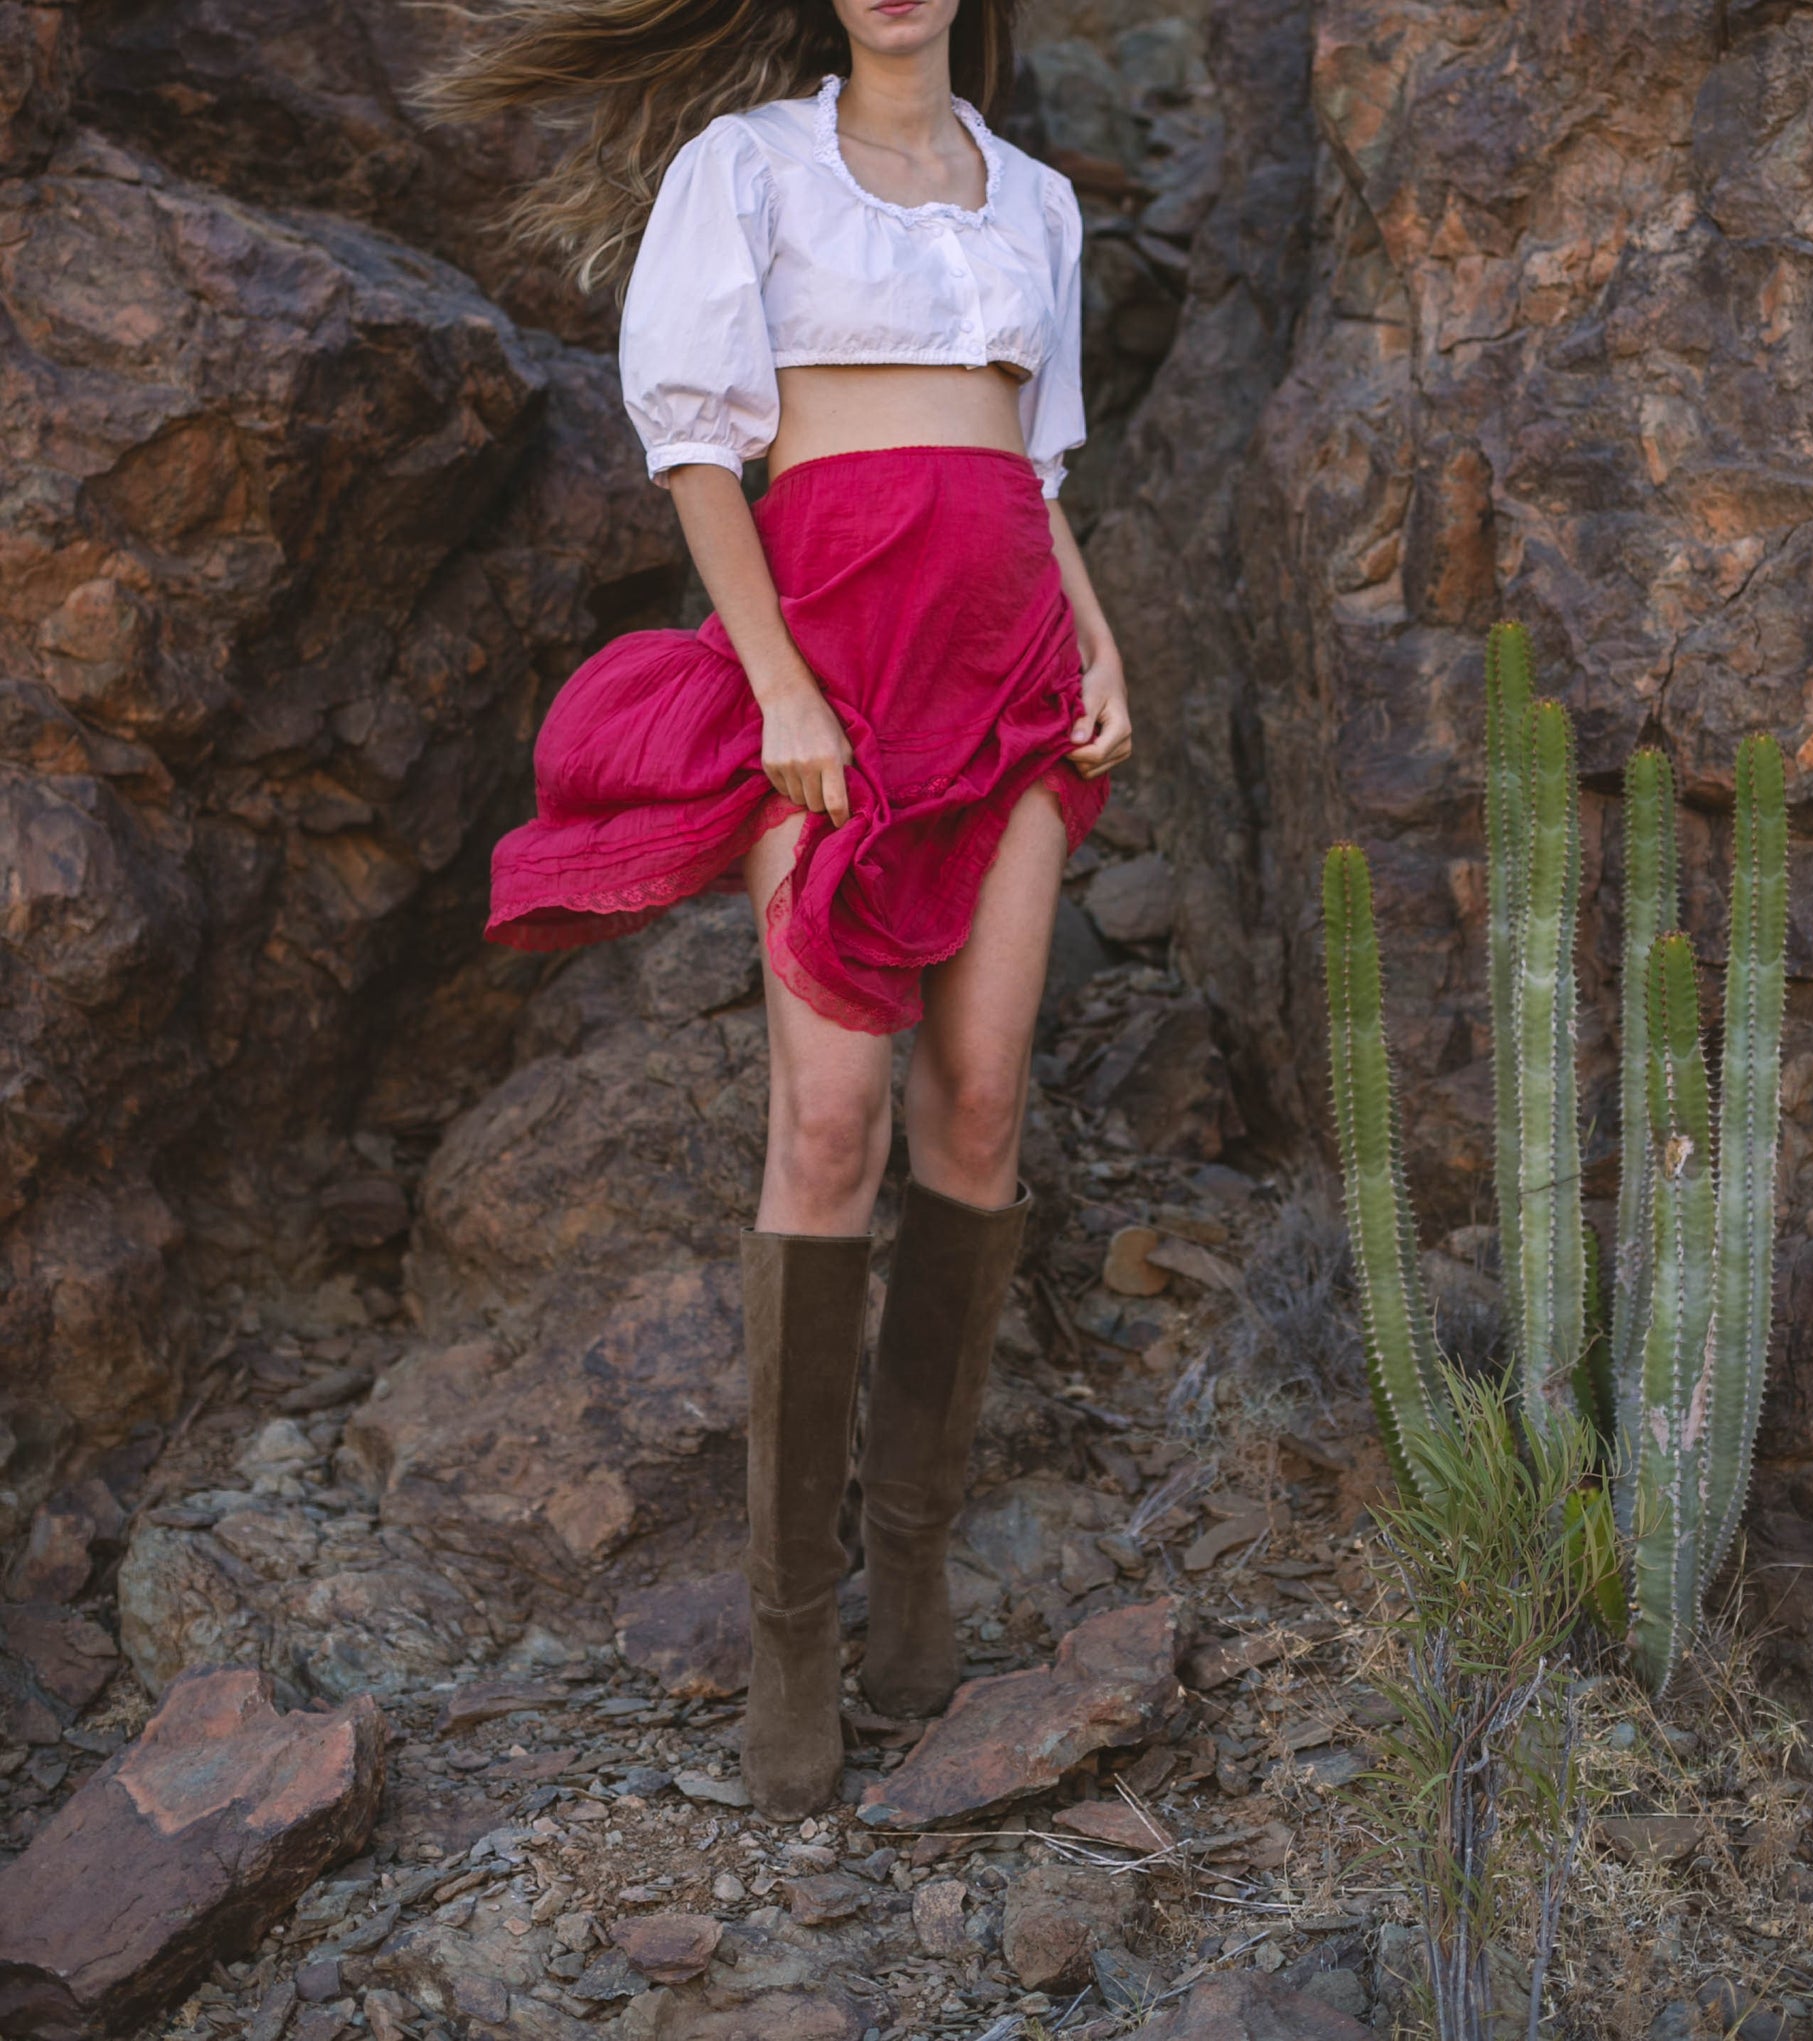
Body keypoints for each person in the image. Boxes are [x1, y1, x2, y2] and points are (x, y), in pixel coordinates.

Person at [426, 0, 1132, 1819]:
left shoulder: (1034, 199)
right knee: (830, 1119)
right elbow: (692, 443)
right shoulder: (743, 168)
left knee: (979, 1103)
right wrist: (783, 686)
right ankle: (791, 1628)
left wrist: (1103, 643)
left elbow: (1031, 469)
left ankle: (911, 1568)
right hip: (829, 646)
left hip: (1016, 661)